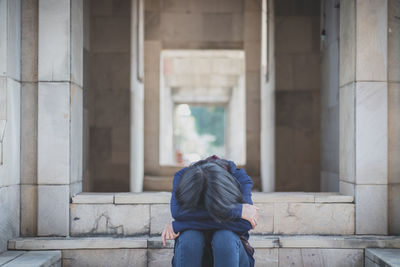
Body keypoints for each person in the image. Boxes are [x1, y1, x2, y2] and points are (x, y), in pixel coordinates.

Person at [161, 155, 259, 267]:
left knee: (225, 237)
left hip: (233, 255)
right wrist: (236, 210)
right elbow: (178, 212)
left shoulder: (239, 177)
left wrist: (180, 225)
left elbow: (245, 224)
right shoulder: (182, 176)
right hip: (192, 255)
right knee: (190, 237)